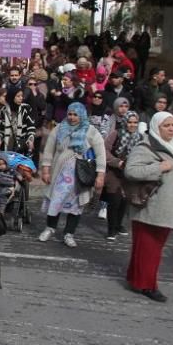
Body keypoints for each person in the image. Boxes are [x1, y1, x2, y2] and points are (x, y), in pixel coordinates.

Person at [123, 112, 173, 302]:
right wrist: (159, 168)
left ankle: (136, 279)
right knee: (149, 247)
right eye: (166, 125)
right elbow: (131, 170)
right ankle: (147, 285)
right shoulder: (147, 145)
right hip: (151, 205)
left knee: (150, 246)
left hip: (169, 204)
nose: (170, 129)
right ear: (156, 127)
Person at [39, 102, 106, 248]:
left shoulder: (91, 131)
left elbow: (101, 154)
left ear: (82, 115)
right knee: (55, 201)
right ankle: (50, 228)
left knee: (76, 205)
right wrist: (45, 169)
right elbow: (49, 150)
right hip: (59, 175)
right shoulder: (59, 129)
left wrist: (100, 174)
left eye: (75, 114)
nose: (72, 117)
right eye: (70, 114)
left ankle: (69, 233)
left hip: (79, 177)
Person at [104, 111, 142, 241]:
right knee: (114, 200)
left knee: (125, 201)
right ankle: (111, 229)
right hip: (115, 171)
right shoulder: (116, 134)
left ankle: (118, 225)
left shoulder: (140, 137)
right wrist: (117, 162)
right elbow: (105, 150)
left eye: (135, 122)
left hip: (130, 173)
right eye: (130, 122)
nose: (132, 125)